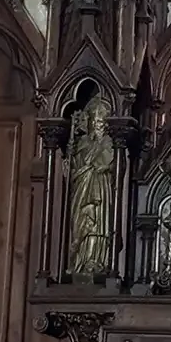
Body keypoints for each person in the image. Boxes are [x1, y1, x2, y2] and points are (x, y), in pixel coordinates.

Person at [66, 97, 116, 276]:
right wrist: (71, 155)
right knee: (81, 221)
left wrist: (103, 165)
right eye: (93, 121)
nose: (96, 125)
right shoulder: (82, 142)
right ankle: (78, 261)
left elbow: (112, 163)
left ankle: (95, 260)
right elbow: (74, 166)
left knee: (98, 222)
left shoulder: (109, 142)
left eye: (100, 122)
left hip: (100, 186)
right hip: (82, 185)